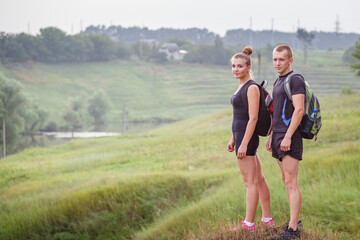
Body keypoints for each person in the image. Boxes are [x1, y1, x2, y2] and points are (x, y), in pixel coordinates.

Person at [227, 46, 274, 231]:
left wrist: (244, 143)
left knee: (250, 182)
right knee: (259, 179)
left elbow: (253, 118)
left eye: (239, 66)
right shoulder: (241, 85)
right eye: (233, 66)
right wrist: (233, 138)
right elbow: (239, 115)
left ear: (248, 67)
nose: (236, 69)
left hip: (247, 139)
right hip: (240, 137)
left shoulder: (252, 87)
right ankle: (267, 219)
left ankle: (248, 224)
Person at [267, 45, 305, 239]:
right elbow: (276, 110)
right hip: (278, 136)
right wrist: (272, 135)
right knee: (286, 180)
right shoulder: (278, 80)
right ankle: (294, 221)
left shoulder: (295, 80)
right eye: (274, 59)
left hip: (290, 137)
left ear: (290, 60)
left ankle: (293, 230)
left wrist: (288, 136)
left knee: (291, 182)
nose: (277, 63)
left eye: (281, 60)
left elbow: (299, 110)